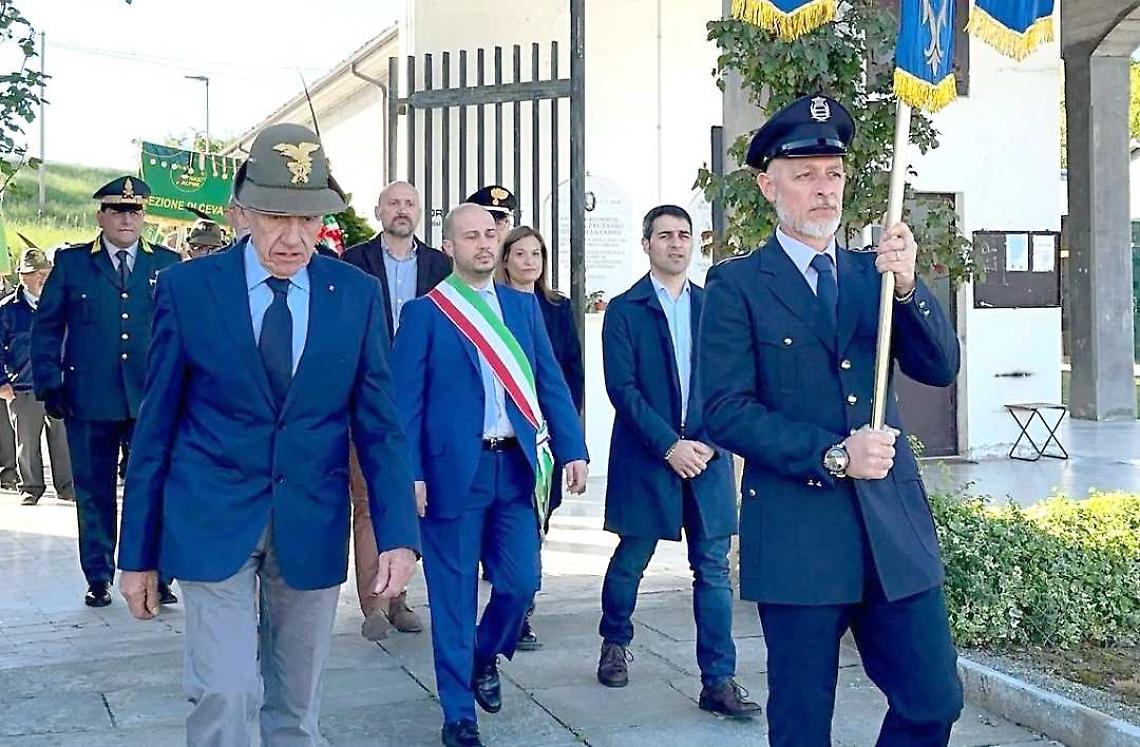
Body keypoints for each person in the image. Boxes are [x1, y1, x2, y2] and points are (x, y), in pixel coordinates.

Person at [116, 123, 420, 747]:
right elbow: (155, 428)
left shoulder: (355, 295)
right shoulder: (189, 289)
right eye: (277, 217)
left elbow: (380, 426)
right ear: (243, 213)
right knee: (226, 691)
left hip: (311, 521)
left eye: (308, 219)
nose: (293, 237)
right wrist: (137, 553)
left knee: (296, 709)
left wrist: (397, 535)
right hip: (212, 519)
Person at [698, 94, 964, 747]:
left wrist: (908, 287)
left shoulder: (875, 276)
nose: (824, 189)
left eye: (834, 174)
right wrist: (833, 454)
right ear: (769, 186)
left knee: (934, 701)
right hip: (800, 536)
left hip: (892, 532)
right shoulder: (738, 285)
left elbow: (940, 366)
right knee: (801, 725)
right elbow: (724, 411)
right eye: (805, 175)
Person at [391, 203, 588, 747]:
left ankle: (483, 654)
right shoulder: (426, 314)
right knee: (452, 598)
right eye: (470, 236)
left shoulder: (523, 308)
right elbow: (404, 403)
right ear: (449, 247)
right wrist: (410, 472)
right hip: (453, 473)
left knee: (521, 582)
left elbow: (550, 383)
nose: (483, 243)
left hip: (515, 468)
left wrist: (572, 448)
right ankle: (459, 715)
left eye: (489, 234)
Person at [594, 205, 760, 718]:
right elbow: (623, 388)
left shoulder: (714, 308)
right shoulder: (625, 309)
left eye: (684, 235)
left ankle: (719, 680)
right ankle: (614, 641)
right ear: (646, 244)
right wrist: (669, 445)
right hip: (649, 456)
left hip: (708, 457)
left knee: (713, 569)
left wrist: (707, 441)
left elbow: (733, 380)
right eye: (664, 235)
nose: (675, 243)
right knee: (633, 556)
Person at [31, 176, 182, 608]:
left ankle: (157, 573)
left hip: (150, 399)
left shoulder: (167, 264)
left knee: (152, 488)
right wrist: (49, 382)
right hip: (89, 398)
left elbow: (183, 332)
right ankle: (98, 575)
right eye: (118, 211)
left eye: (135, 211)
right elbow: (47, 328)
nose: (127, 219)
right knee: (94, 492)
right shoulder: (74, 264)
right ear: (101, 216)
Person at [337, 181, 450, 640]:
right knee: (368, 501)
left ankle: (400, 597)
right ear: (378, 210)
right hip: (367, 395)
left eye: (409, 203)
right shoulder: (352, 262)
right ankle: (375, 604)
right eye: (394, 203)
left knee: (410, 499)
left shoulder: (440, 266)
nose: (402, 210)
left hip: (423, 399)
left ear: (419, 211)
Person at [496, 225, 584, 650]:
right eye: (521, 253)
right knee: (514, 524)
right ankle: (517, 607)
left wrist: (568, 434)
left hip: (546, 432)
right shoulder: (491, 305)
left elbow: (569, 370)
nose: (529, 261)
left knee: (539, 516)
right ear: (506, 259)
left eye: (537, 254)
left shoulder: (556, 307)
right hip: (506, 433)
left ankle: (523, 603)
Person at [0, 249, 75, 505]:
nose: (43, 278)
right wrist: (2, 383)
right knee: (27, 441)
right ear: (23, 276)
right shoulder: (7, 310)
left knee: (62, 439)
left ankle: (67, 486)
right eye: (36, 273)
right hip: (23, 386)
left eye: (46, 272)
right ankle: (31, 487)